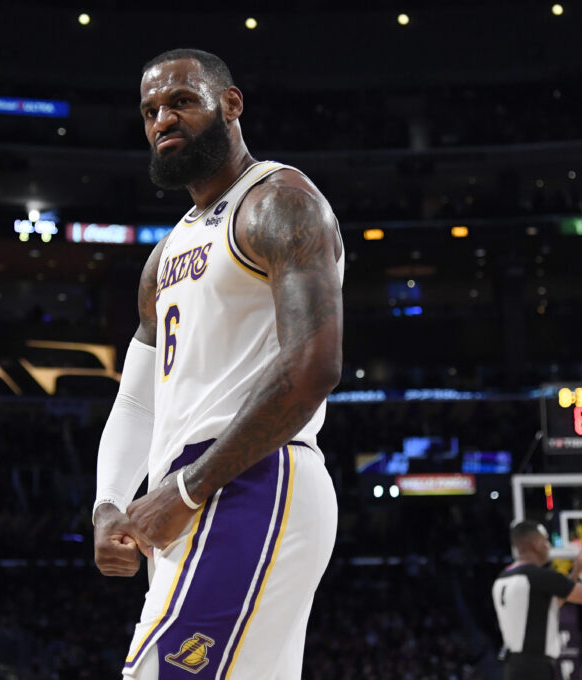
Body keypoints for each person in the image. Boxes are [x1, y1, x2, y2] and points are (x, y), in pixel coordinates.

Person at [92, 47, 344, 679]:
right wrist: (108, 504)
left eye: (181, 101)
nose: (163, 120)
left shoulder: (279, 202)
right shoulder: (167, 252)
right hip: (183, 501)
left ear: (230, 104)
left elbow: (313, 368)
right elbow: (137, 400)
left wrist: (185, 489)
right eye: (150, 110)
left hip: (253, 481)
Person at [492, 521, 582, 680]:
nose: (548, 546)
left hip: (512, 666)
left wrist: (577, 570)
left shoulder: (503, 577)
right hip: (535, 667)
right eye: (545, 541)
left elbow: (550, 605)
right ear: (536, 545)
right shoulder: (539, 577)